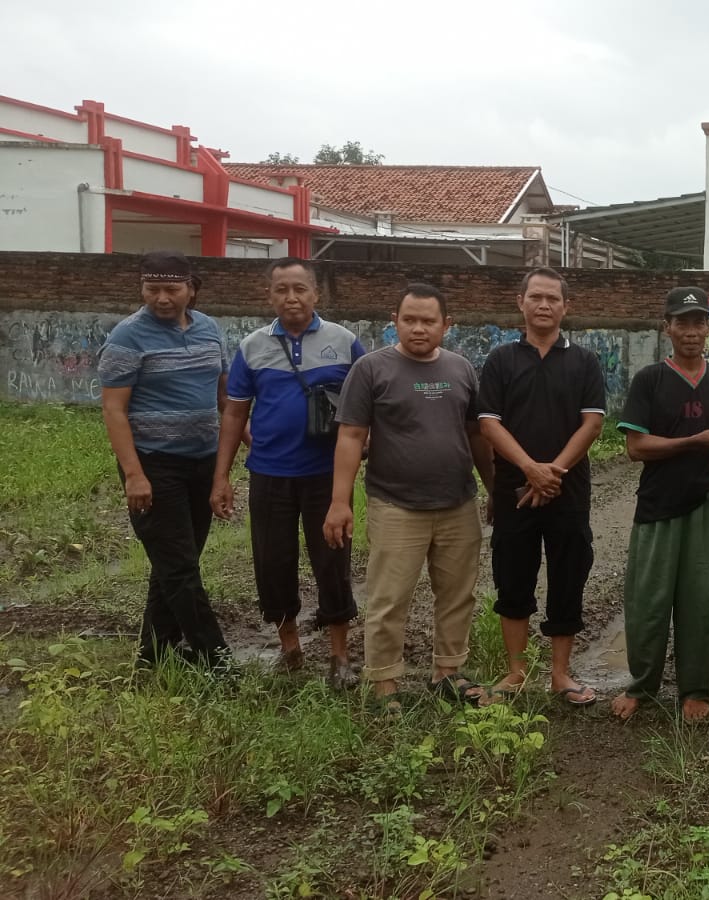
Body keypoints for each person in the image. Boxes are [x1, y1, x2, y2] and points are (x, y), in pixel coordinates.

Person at [323, 284, 496, 711]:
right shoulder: (370, 369)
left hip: (457, 503)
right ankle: (384, 683)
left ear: (446, 325)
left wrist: (494, 487)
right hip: (395, 504)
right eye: (410, 320)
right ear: (394, 322)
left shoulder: (461, 369)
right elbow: (350, 436)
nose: (419, 328)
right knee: (389, 597)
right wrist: (339, 501)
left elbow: (476, 435)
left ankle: (448, 673)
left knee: (457, 594)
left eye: (428, 321)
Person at [211, 258, 365, 688]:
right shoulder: (252, 347)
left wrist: (367, 441)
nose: (291, 297)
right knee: (273, 563)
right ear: (270, 296)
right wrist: (221, 477)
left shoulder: (344, 341)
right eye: (282, 290)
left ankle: (339, 656)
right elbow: (234, 413)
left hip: (327, 476)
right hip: (269, 475)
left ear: (316, 294)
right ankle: (290, 648)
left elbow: (370, 400)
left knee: (332, 562)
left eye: (300, 289)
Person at [611, 287, 709, 723]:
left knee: (699, 600)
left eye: (699, 322)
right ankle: (642, 686)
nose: (691, 331)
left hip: (706, 504)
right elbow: (636, 447)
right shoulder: (650, 379)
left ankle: (695, 690)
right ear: (667, 327)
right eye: (682, 322)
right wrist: (694, 442)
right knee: (648, 601)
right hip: (657, 507)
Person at [476, 267, 606, 706]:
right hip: (514, 489)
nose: (544, 305)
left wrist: (553, 472)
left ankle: (560, 673)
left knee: (568, 575)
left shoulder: (584, 361)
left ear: (566, 306)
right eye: (536, 297)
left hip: (567, 490)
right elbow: (488, 423)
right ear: (521, 302)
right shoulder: (500, 360)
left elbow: (593, 423)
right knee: (512, 575)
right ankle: (515, 671)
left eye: (553, 298)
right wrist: (530, 468)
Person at [99, 251, 231, 670]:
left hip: (202, 461)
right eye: (151, 289)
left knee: (176, 562)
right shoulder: (128, 336)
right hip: (154, 465)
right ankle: (217, 660)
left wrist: (245, 441)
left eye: (171, 289)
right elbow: (114, 410)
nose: (161, 298)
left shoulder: (210, 328)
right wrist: (134, 475)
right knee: (179, 567)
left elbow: (224, 395)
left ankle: (154, 655)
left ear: (191, 288)